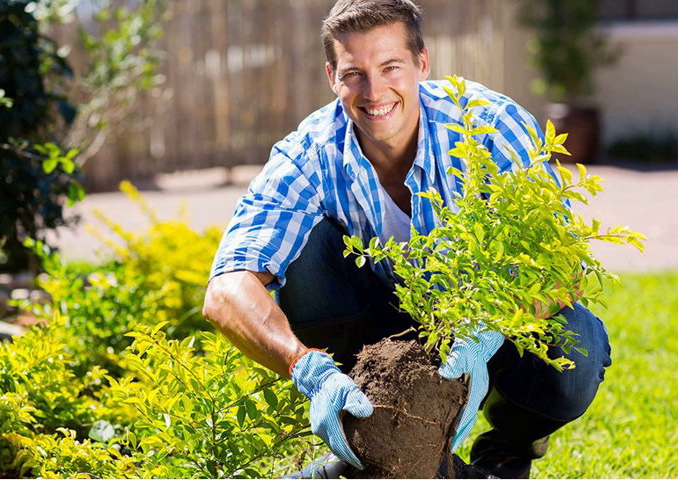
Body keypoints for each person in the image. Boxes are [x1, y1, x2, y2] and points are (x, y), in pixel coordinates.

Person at [202, 0, 612, 477]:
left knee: (575, 345)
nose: (374, 92)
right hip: (372, 343)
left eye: (390, 67)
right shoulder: (309, 153)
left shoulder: (488, 126)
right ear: (332, 77)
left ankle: (508, 448)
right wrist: (305, 368)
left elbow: (563, 264)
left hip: (483, 325)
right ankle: (376, 440)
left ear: (422, 63)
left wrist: (487, 333)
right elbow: (226, 288)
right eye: (354, 72)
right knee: (300, 254)